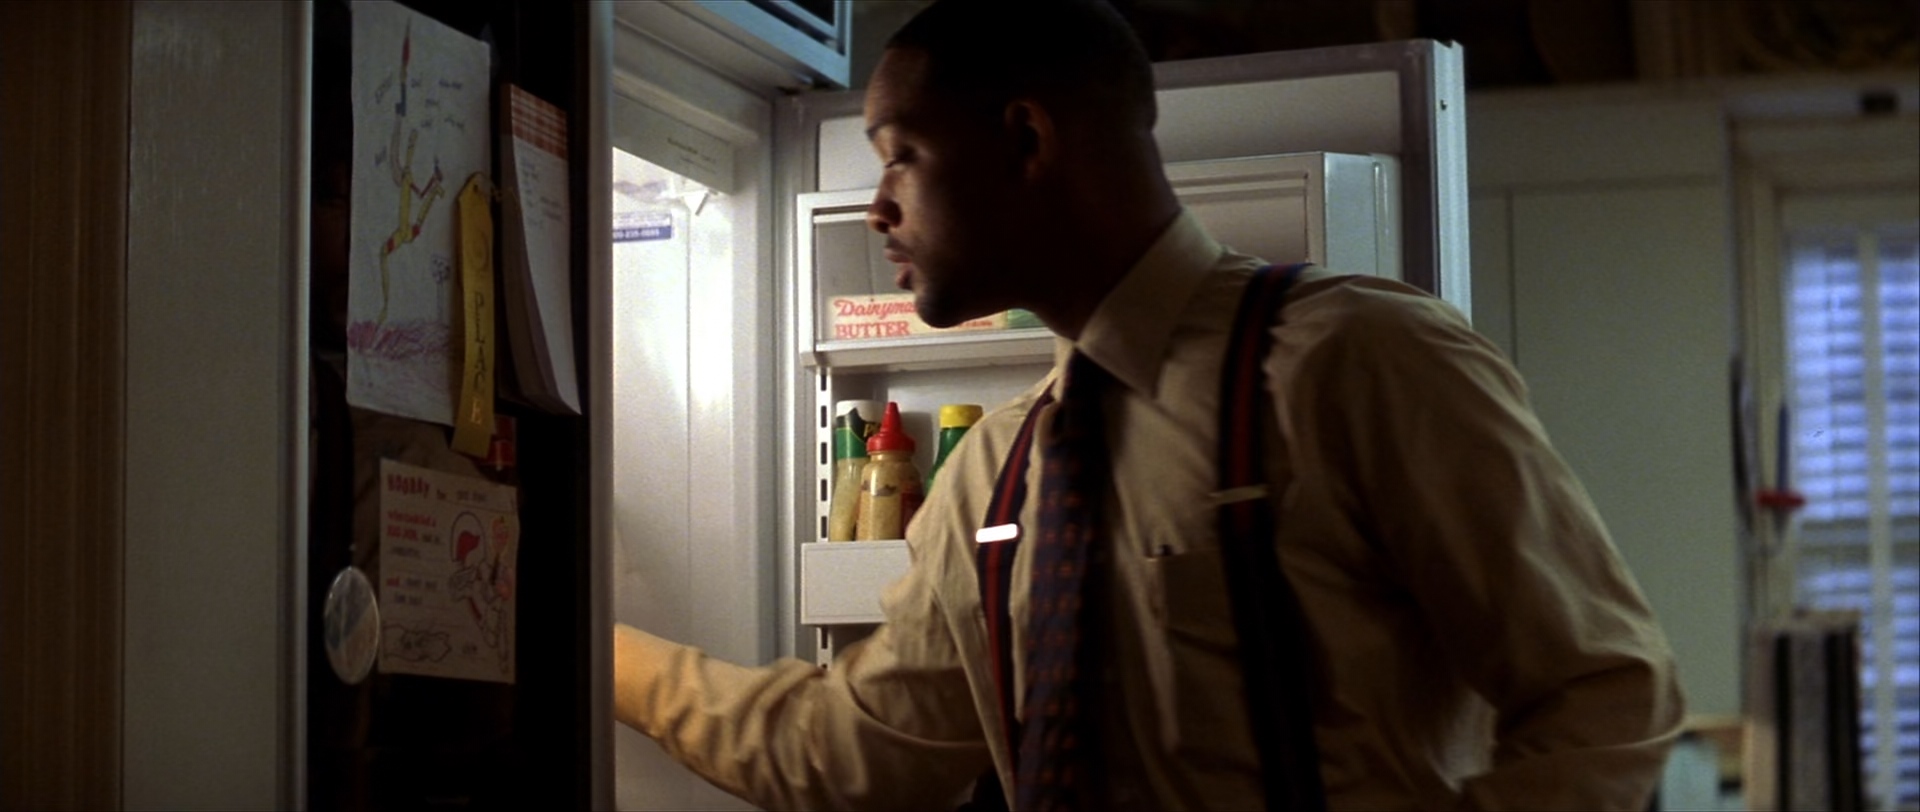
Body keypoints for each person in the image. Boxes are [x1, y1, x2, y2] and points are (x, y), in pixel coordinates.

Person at [613, 0, 1685, 809]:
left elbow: (1606, 698)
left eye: (902, 155)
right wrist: (597, 644)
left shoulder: (1357, 360)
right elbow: (843, 752)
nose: (879, 206)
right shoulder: (993, 476)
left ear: (1026, 140)